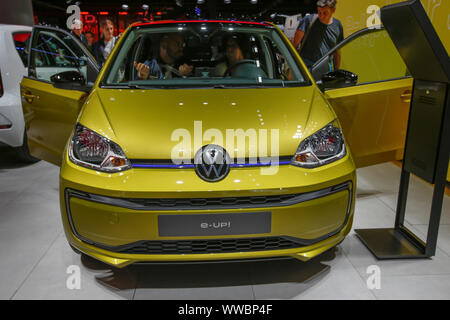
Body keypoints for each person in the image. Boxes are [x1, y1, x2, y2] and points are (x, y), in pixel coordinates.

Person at [293, 0, 343, 69]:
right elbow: (294, 44)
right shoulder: (308, 20)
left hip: (326, 69)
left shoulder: (337, 25)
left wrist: (336, 70)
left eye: (325, 13)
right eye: (319, 12)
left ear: (333, 10)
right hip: (306, 67)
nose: (321, 16)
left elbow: (337, 51)